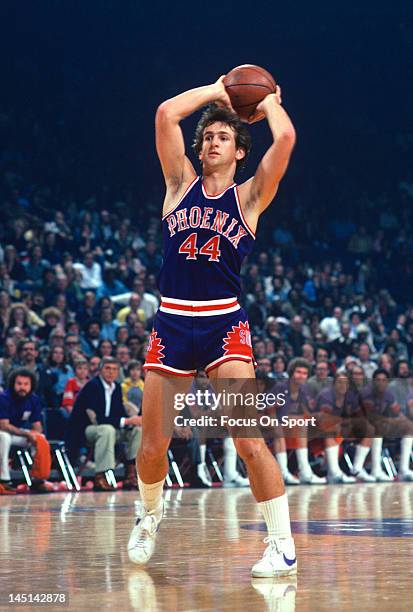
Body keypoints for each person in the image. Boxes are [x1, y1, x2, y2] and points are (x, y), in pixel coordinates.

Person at [128, 74, 298, 578]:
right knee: (153, 443)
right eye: (207, 137)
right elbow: (164, 114)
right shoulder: (179, 184)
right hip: (173, 320)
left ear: (240, 151)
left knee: (248, 440)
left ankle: (282, 546)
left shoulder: (249, 199)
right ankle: (148, 517)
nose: (211, 142)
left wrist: (267, 104)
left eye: (222, 136)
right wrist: (217, 89)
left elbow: (285, 138)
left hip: (224, 322)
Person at [67, 357, 141, 491]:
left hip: (110, 428)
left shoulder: (117, 387)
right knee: (107, 430)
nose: (111, 372)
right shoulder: (92, 386)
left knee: (138, 430)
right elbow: (97, 419)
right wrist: (126, 421)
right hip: (87, 429)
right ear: (100, 371)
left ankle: (131, 473)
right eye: (107, 368)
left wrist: (132, 421)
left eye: (114, 369)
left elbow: (118, 414)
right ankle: (100, 476)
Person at [0, 368, 52, 493]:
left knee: (40, 439)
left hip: (16, 432)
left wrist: (34, 435)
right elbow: (4, 426)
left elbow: (37, 426)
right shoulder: (4, 398)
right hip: (3, 431)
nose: (22, 387)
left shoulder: (34, 399)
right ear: (13, 384)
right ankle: (4, 480)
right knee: (4, 437)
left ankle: (37, 479)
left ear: (31, 385)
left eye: (26, 384)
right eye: (19, 384)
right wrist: (27, 434)